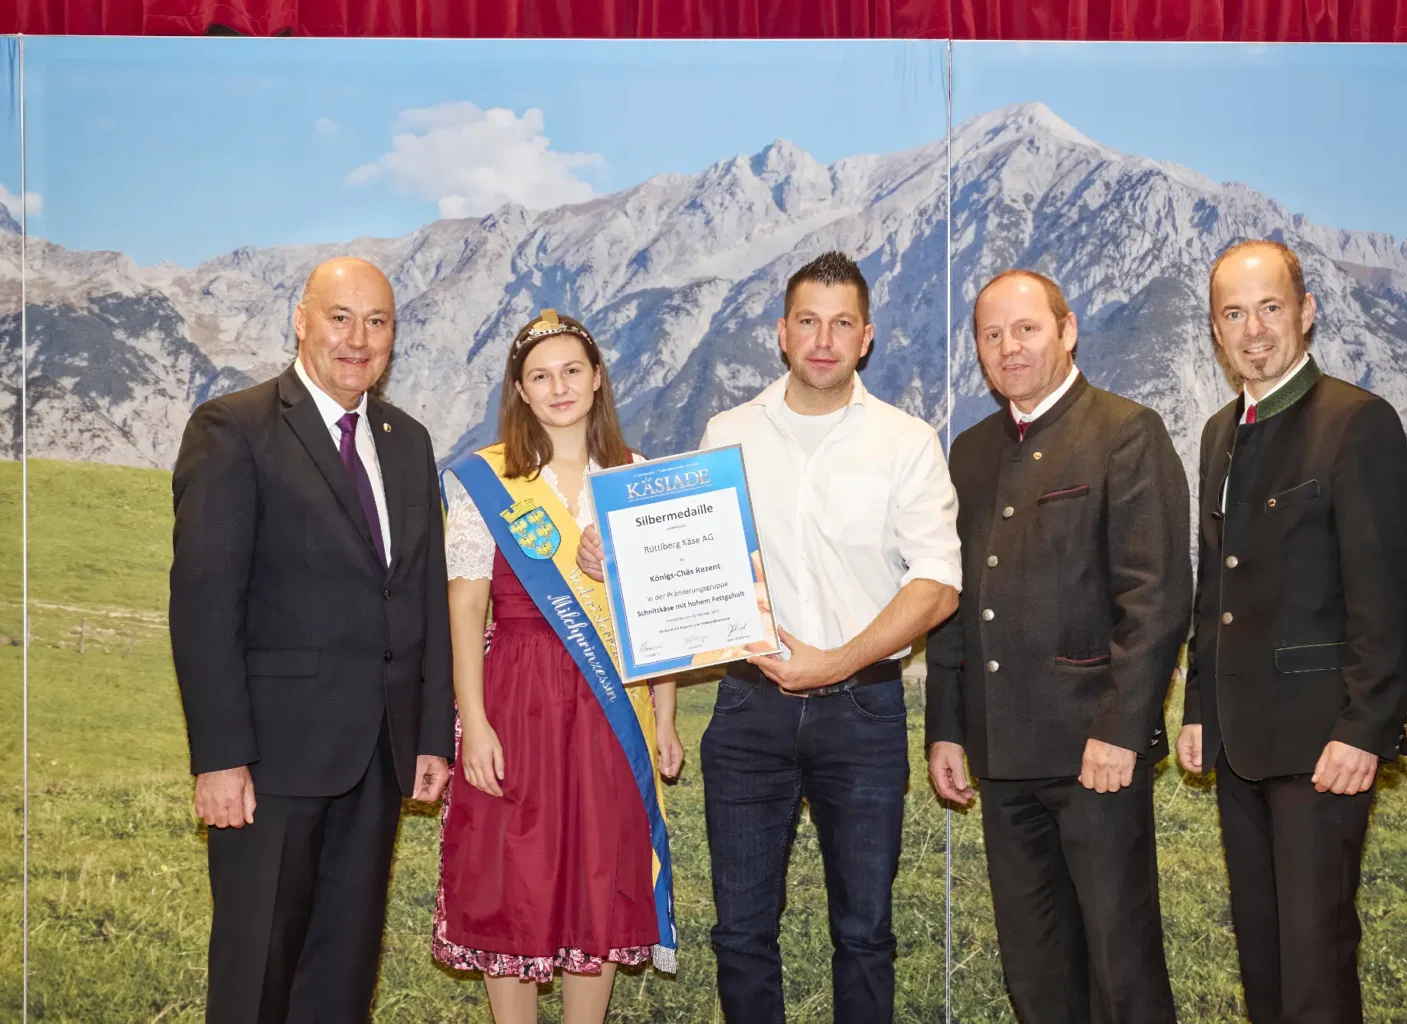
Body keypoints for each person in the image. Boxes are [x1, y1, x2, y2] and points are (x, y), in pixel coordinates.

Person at [579, 251, 961, 1024]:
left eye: (842, 323)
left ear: (868, 338)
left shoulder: (907, 441)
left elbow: (937, 583)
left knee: (865, 931)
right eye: (809, 322)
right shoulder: (730, 431)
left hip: (865, 710)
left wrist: (834, 662)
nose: (824, 339)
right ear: (782, 334)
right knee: (742, 933)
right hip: (750, 714)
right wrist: (614, 557)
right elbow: (686, 555)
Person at [169, 257, 455, 1023]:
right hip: (271, 765)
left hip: (379, 762)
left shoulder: (408, 441)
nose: (358, 340)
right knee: (256, 974)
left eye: (378, 322)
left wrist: (431, 736)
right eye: (341, 317)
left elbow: (422, 593)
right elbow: (204, 605)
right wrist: (220, 758)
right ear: (301, 320)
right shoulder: (236, 429)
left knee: (343, 974)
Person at [926, 269, 1188, 1024]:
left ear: (1067, 331)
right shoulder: (970, 453)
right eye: (992, 334)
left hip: (1092, 756)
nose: (1009, 348)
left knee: (1120, 965)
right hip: (1001, 755)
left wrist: (1119, 730)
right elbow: (954, 602)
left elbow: (1156, 598)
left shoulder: (1125, 431)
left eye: (1026, 329)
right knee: (1035, 973)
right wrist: (945, 726)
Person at [1176, 239, 1407, 1024]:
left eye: (1270, 308)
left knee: (1315, 966)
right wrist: (1197, 711)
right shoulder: (1221, 432)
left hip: (1325, 749)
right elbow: (1217, 587)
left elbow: (1389, 600)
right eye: (1234, 314)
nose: (1254, 331)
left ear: (1306, 313)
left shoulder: (1358, 423)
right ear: (1215, 330)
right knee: (1264, 959)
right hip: (1239, 746)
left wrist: (1365, 729)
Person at [432, 308, 684, 1024]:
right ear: (520, 389)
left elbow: (663, 612)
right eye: (541, 376)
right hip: (517, 695)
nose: (560, 387)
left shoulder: (638, 476)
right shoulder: (487, 480)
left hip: (613, 705)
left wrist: (665, 718)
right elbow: (465, 605)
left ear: (598, 378)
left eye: (573, 370)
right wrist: (473, 720)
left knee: (598, 875)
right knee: (516, 875)